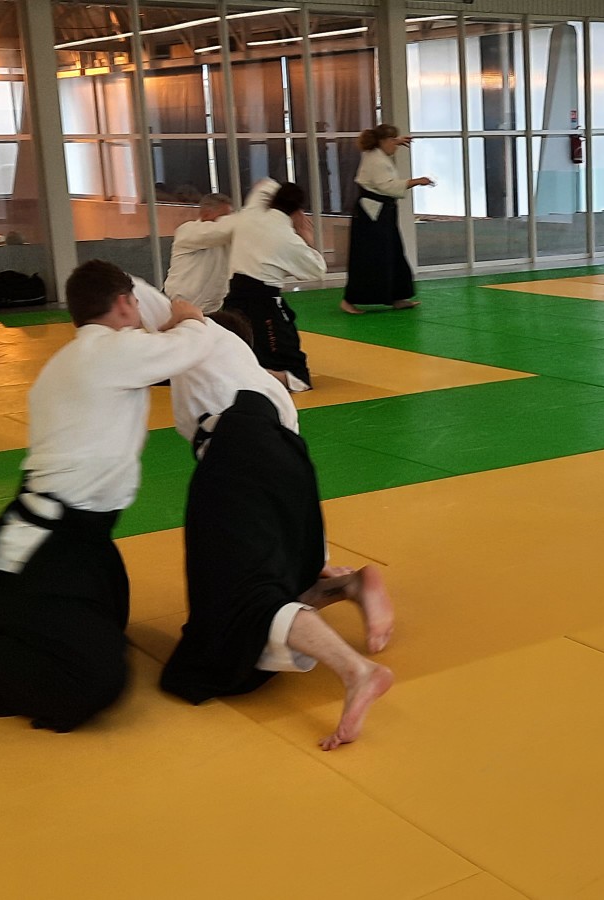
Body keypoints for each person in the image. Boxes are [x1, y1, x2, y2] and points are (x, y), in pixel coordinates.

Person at [0, 260, 220, 733]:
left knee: (112, 625)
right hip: (39, 547)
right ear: (125, 303)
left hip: (56, 540)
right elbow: (195, 345)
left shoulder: (72, 360)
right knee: (97, 680)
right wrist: (191, 316)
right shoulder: (110, 351)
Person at [158, 310, 395, 750]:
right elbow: (298, 490)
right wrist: (318, 560)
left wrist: (173, 321)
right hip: (283, 463)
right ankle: (351, 585)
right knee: (277, 581)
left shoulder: (203, 345)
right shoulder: (269, 387)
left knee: (243, 596)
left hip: (234, 464)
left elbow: (182, 313)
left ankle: (356, 671)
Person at [223, 178, 325, 392]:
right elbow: (317, 270)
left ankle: (239, 372)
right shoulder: (287, 238)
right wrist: (307, 237)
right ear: (298, 211)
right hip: (264, 305)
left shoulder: (251, 213)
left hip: (233, 301)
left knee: (242, 348)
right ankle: (251, 376)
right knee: (299, 377)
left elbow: (264, 184)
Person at [343, 124, 429, 314]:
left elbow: (384, 146)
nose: (395, 146)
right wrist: (417, 181)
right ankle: (349, 300)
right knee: (369, 257)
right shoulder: (376, 160)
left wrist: (397, 140)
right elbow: (387, 186)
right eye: (393, 141)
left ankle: (397, 297)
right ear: (383, 141)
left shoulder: (375, 152)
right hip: (371, 214)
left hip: (383, 211)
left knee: (393, 253)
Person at [163, 193, 236, 313]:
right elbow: (221, 231)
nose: (227, 221)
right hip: (178, 306)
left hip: (212, 309)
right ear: (206, 214)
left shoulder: (227, 237)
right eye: (224, 218)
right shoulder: (187, 231)